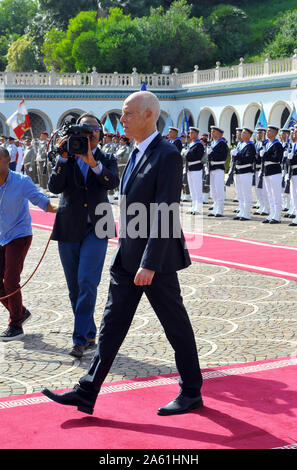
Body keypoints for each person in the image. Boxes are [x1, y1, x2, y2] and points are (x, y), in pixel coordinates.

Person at [42, 91, 203, 417]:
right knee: (111, 327)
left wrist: (149, 263)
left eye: (128, 114)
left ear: (148, 116)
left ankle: (191, 391)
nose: (122, 119)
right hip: (127, 258)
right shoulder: (136, 151)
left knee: (176, 326)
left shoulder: (167, 154)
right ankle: (87, 392)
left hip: (153, 263)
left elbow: (166, 212)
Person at [47, 113, 119, 359]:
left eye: (94, 129)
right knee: (74, 287)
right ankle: (88, 331)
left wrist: (92, 163)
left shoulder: (106, 158)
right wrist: (62, 158)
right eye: (85, 129)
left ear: (100, 133)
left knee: (88, 282)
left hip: (97, 228)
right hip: (68, 227)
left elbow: (112, 182)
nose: (90, 134)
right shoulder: (66, 156)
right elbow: (54, 187)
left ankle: (79, 340)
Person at [0, 146, 57, 341]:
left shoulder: (21, 182)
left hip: (19, 235)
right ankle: (21, 312)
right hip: (0, 236)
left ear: (8, 160)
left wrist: (65, 208)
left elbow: (43, 202)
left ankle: (15, 324)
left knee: (10, 280)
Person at [260, 125, 283, 224]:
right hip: (267, 171)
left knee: (276, 194)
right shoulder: (267, 144)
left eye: (269, 131)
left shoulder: (277, 145)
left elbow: (277, 158)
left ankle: (277, 215)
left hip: (275, 171)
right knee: (269, 194)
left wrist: (265, 154)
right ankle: (272, 213)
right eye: (267, 131)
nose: (267, 133)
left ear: (274, 133)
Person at [232, 128, 255, 221]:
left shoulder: (250, 146)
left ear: (249, 135)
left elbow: (248, 158)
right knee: (239, 193)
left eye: (245, 133)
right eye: (242, 133)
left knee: (246, 193)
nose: (242, 134)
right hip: (238, 171)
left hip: (246, 171)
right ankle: (241, 210)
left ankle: (247, 212)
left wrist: (237, 155)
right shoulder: (240, 144)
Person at [207, 126, 228, 217]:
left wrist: (212, 153)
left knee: (219, 189)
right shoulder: (211, 143)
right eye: (211, 131)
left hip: (218, 168)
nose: (212, 133)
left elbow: (223, 157)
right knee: (213, 190)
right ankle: (215, 207)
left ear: (219, 133)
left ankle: (220, 209)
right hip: (211, 169)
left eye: (214, 131)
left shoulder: (222, 144)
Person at [185, 127, 205, 214]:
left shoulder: (199, 145)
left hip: (196, 168)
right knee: (192, 189)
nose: (190, 134)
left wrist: (187, 154)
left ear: (196, 134)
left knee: (197, 189)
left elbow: (197, 156)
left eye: (192, 132)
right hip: (190, 169)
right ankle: (194, 206)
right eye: (190, 132)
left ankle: (199, 208)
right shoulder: (190, 144)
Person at [254, 128, 269, 216]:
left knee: (264, 190)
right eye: (257, 133)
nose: (258, 135)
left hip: (263, 169)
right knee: (257, 189)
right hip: (256, 169)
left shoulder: (266, 143)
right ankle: (261, 204)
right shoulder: (256, 144)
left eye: (260, 133)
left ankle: (266, 207)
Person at [286, 124, 297, 227]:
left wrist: (293, 157)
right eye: (294, 131)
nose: (294, 133)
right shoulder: (293, 145)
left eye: (296, 131)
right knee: (294, 196)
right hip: (292, 173)